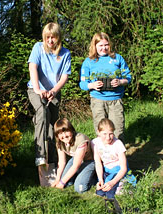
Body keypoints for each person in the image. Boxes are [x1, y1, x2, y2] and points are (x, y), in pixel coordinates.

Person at [27, 22, 71, 173]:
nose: (50, 41)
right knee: (42, 113)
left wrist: (54, 90)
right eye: (48, 37)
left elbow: (64, 76)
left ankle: (52, 160)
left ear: (59, 38)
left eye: (53, 37)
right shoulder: (38, 47)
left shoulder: (65, 53)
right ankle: (40, 155)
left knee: (53, 123)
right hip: (35, 89)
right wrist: (39, 90)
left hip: (54, 91)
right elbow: (32, 67)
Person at [79, 32, 131, 143]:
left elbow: (128, 77)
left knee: (117, 130)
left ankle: (119, 157)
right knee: (101, 131)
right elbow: (82, 84)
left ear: (110, 45)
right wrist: (92, 85)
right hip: (98, 100)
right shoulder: (89, 61)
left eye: (106, 45)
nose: (104, 48)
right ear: (95, 46)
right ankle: (102, 157)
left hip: (115, 100)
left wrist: (120, 82)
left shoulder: (117, 58)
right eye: (100, 45)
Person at [91, 118, 136, 199]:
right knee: (101, 190)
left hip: (118, 170)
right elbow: (98, 162)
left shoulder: (118, 144)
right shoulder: (95, 143)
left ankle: (122, 185)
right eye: (104, 134)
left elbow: (123, 168)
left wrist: (112, 182)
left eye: (111, 134)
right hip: (106, 169)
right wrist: (100, 179)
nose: (108, 137)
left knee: (110, 192)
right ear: (98, 132)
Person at [51, 118, 95, 193]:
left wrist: (62, 183)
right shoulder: (59, 143)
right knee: (67, 184)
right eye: (60, 133)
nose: (64, 136)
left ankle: (94, 178)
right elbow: (61, 162)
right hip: (75, 159)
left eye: (66, 131)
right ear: (57, 135)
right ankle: (79, 175)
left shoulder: (80, 139)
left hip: (89, 161)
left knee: (80, 189)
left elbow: (75, 166)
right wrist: (58, 179)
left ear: (72, 130)